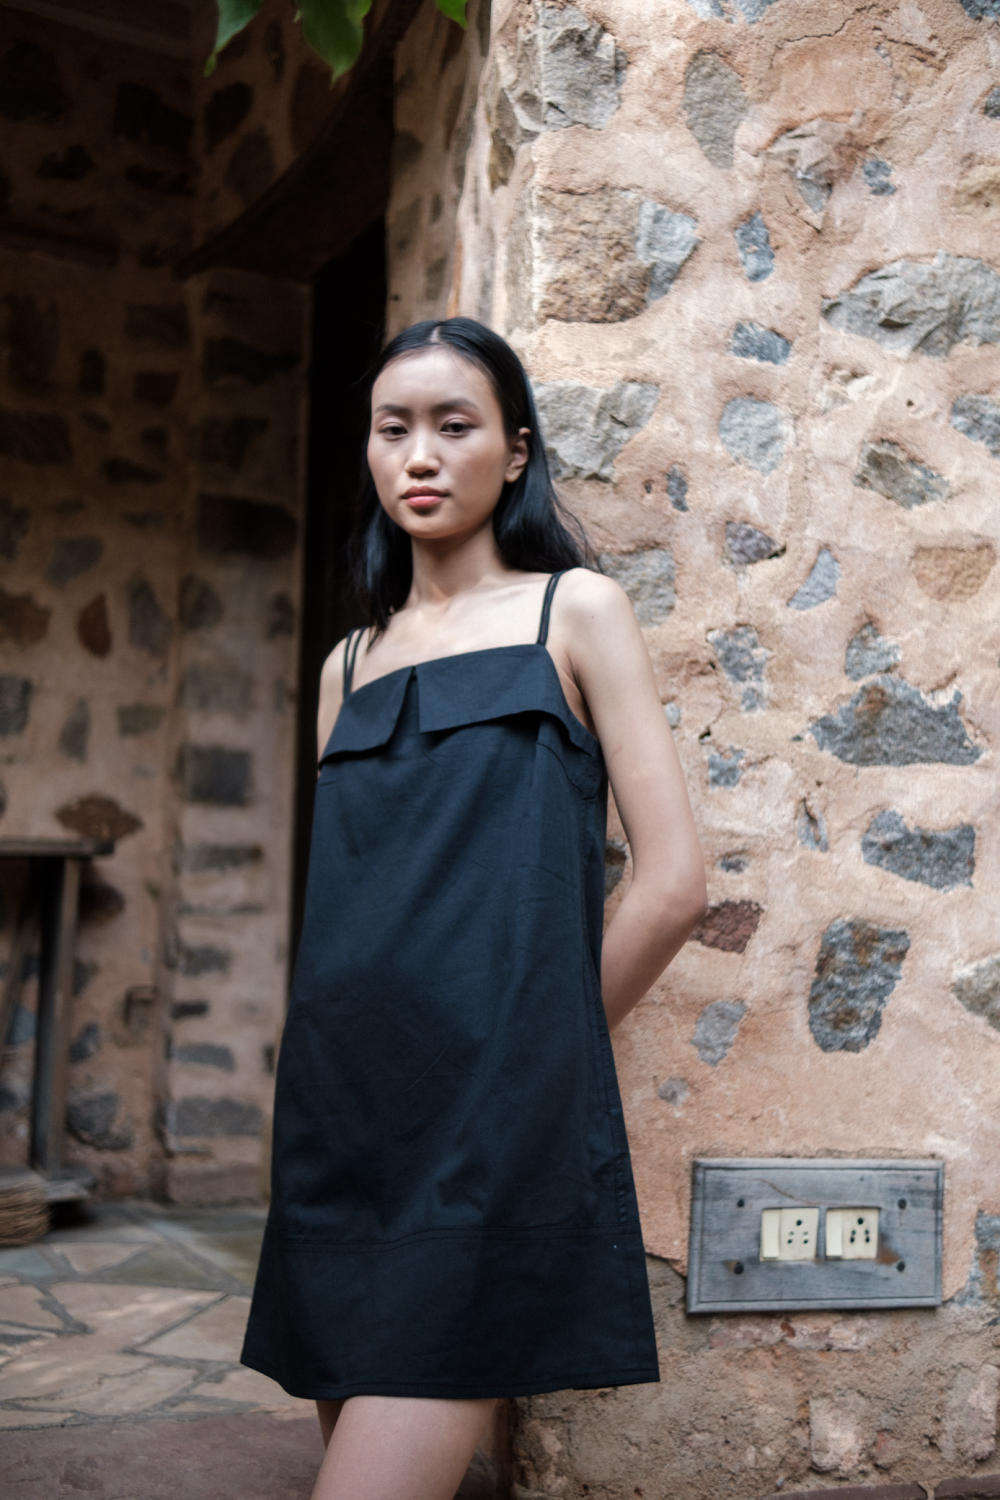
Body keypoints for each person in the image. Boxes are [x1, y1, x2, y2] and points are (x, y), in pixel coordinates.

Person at [239, 317, 707, 1500]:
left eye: (455, 426)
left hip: (491, 1110)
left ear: (515, 451)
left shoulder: (576, 613)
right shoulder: (348, 664)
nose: (419, 455)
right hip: (343, 1103)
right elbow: (351, 900)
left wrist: (540, 1056)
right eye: (392, 429)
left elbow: (671, 885)